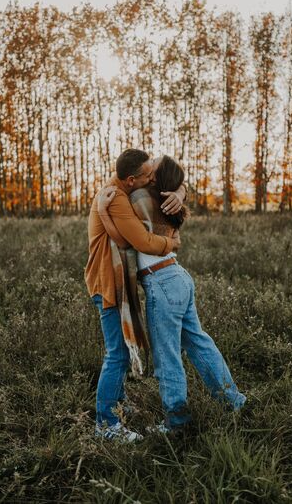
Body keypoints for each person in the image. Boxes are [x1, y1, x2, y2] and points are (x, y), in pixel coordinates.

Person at [98, 155, 246, 433]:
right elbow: (174, 183)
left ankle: (177, 422)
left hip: (162, 283)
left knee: (167, 357)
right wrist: (181, 190)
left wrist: (104, 211)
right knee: (200, 344)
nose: (150, 163)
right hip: (178, 278)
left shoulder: (140, 195)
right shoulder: (167, 200)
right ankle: (233, 401)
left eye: (153, 163)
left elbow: (125, 239)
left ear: (155, 176)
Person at [85, 149, 185, 442]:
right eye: (147, 176)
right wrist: (171, 243)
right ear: (132, 180)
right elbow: (140, 240)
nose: (152, 178)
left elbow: (172, 178)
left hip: (117, 281)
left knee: (120, 353)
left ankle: (120, 407)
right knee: (116, 355)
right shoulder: (115, 198)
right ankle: (106, 425)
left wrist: (180, 189)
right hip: (108, 282)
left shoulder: (121, 189)